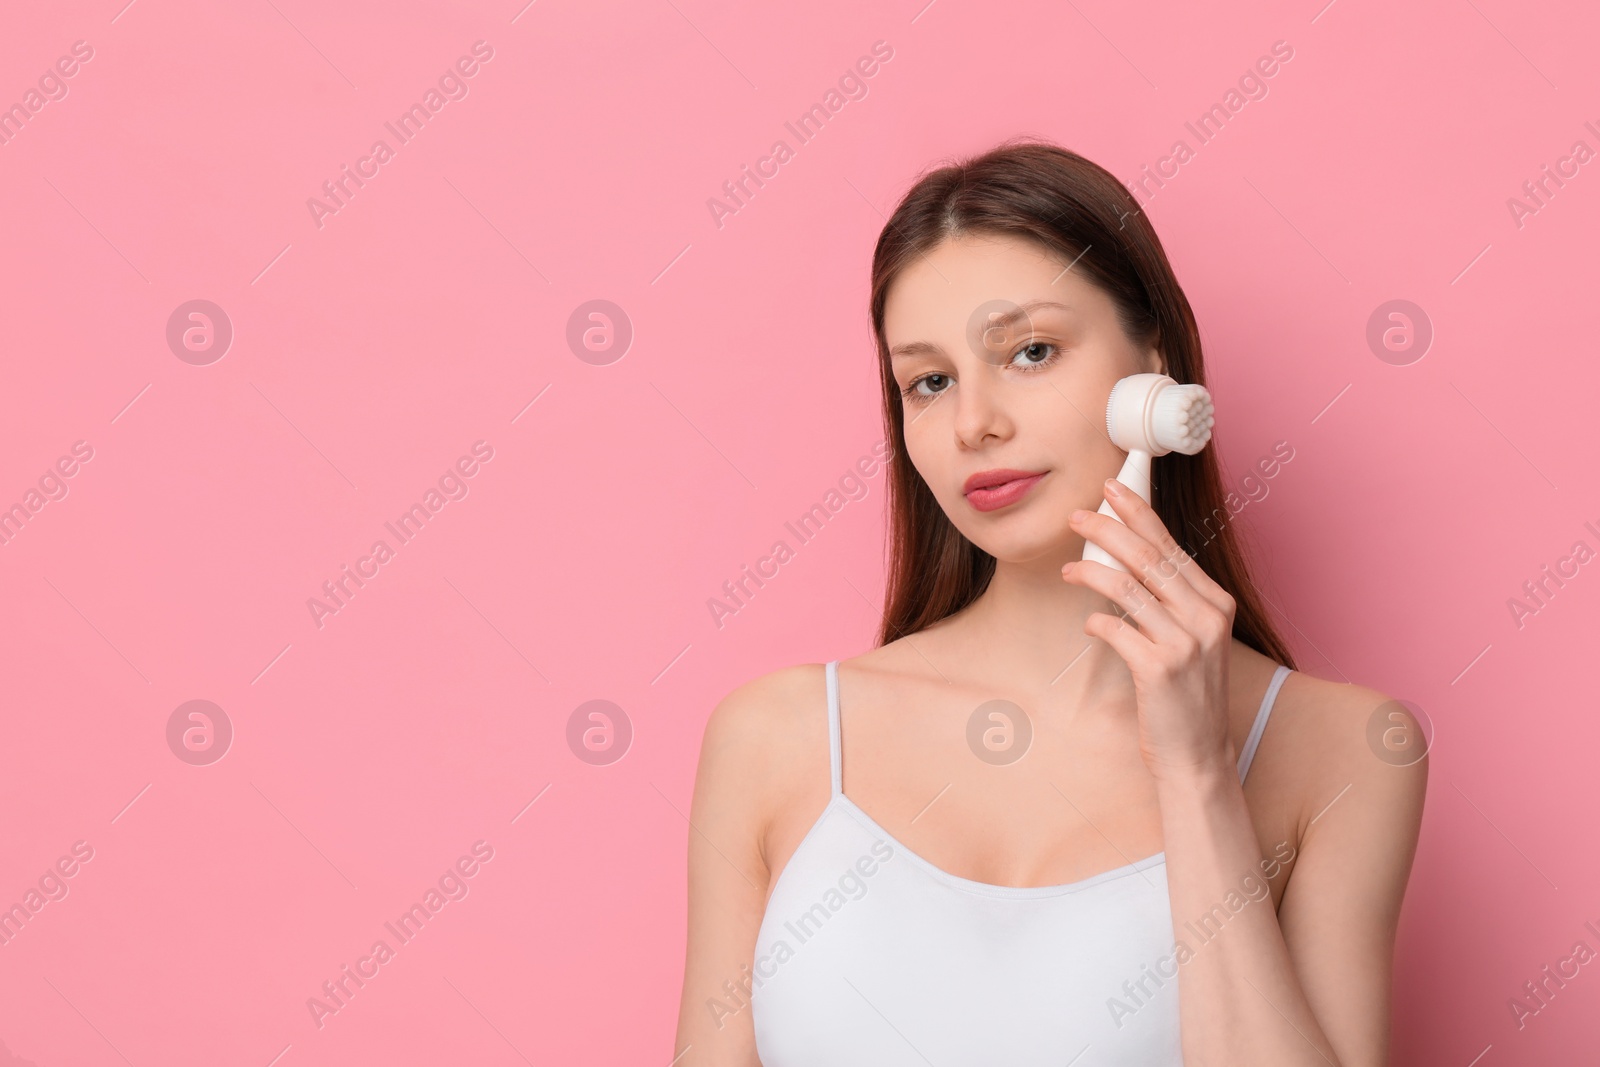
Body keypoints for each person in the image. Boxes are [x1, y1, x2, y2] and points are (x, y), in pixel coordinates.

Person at [673, 139, 1426, 1066]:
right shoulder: (775, 735)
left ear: (1152, 369)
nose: (973, 422)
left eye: (1030, 351)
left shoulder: (1345, 754)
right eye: (930, 380)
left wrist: (1195, 775)